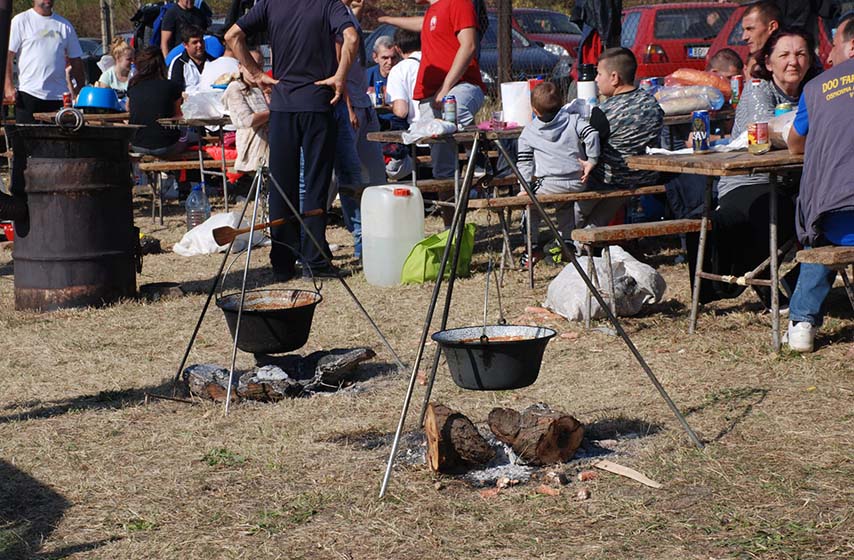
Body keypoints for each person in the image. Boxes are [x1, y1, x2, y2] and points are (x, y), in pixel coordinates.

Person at [226, 0, 359, 281]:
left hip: (283, 106)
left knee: (282, 186)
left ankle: (283, 262)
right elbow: (352, 37)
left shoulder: (270, 4)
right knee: (316, 184)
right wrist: (340, 76)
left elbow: (232, 36)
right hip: (316, 105)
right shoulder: (329, 4)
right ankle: (315, 262)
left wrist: (256, 74)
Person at [690, 28, 817, 306]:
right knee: (788, 212)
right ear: (769, 63)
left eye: (801, 54)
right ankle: (764, 278)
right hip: (748, 181)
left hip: (793, 181)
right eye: (784, 55)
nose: (793, 61)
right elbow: (772, 131)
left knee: (827, 209)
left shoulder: (815, 90)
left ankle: (793, 280)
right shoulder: (758, 91)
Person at [380, 0, 486, 225]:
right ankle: (451, 229)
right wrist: (386, 18)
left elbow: (468, 46)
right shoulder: (433, 12)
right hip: (432, 96)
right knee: (442, 170)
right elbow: (422, 23)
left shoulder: (458, 3)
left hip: (460, 86)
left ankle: (479, 158)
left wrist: (446, 87)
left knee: (454, 109)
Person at [784, 14, 854, 352]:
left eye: (835, 45)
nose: (828, 56)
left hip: (837, 218)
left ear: (852, 46)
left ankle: (802, 322)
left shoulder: (816, 88)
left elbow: (796, 143)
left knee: (819, 239)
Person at [516, 81, 600, 265]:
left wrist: (524, 187)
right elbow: (592, 134)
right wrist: (591, 161)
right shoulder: (573, 120)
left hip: (548, 184)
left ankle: (532, 246)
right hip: (577, 181)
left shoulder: (529, 131)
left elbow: (524, 162)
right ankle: (567, 242)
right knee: (565, 205)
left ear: (534, 111)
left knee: (530, 206)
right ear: (562, 104)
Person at [333, 0, 387, 262]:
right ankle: (359, 241)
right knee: (346, 178)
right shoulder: (333, 18)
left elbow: (355, 11)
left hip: (366, 106)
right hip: (350, 108)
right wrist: (349, 108)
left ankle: (380, 237)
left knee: (376, 176)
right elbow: (337, 70)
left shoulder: (350, 17)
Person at [585, 47, 663, 228]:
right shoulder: (652, 103)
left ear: (614, 78)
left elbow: (587, 146)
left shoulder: (605, 111)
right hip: (648, 176)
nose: (595, 79)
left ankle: (570, 241)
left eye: (598, 74)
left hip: (613, 180)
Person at [4, 0, 84, 124]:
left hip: (58, 97)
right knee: (26, 141)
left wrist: (81, 89)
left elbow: (76, 60)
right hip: (29, 94)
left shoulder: (64, 25)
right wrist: (8, 86)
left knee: (58, 141)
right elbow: (8, 56)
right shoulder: (21, 21)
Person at [127, 47, 187, 158]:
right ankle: (176, 174)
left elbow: (129, 109)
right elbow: (178, 115)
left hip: (137, 144)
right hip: (166, 146)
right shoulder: (171, 86)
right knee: (190, 136)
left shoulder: (133, 85)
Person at [221, 49, 269, 173]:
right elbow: (248, 120)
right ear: (240, 67)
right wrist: (274, 112)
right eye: (250, 65)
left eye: (258, 65)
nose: (254, 69)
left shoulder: (265, 87)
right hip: (252, 148)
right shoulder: (235, 88)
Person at [386, 29, 422, 125]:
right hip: (446, 124)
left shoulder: (399, 69)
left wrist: (389, 106)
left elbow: (401, 111)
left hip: (419, 127)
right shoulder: (435, 61)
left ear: (397, 49)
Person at [168, 26, 214, 92]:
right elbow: (174, 90)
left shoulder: (213, 61)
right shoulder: (178, 63)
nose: (199, 45)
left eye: (201, 41)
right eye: (195, 42)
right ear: (185, 45)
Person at [741, 1, 782, 74]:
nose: (744, 37)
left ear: (772, 27)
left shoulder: (787, 62)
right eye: (743, 30)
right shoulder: (756, 62)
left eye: (750, 29)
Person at [365, 35, 399, 101]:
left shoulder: (403, 76)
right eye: (385, 58)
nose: (390, 62)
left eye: (393, 58)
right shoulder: (367, 76)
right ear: (375, 57)